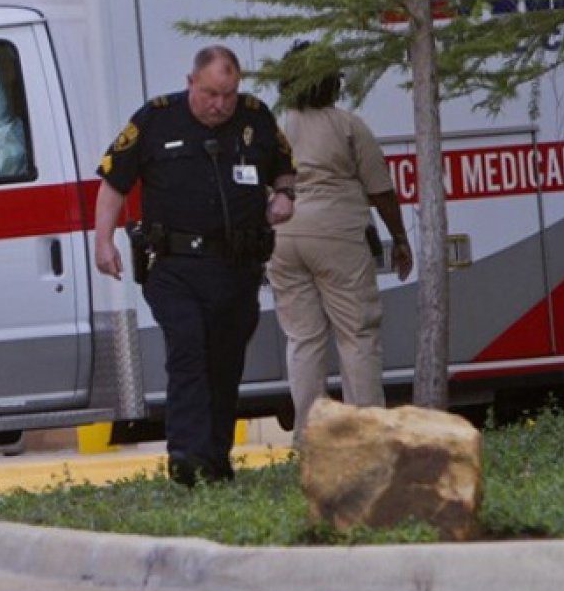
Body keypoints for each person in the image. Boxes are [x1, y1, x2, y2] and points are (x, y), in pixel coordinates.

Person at [93, 45, 297, 486]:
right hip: (175, 266)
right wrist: (102, 241)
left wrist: (284, 195)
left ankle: (214, 458)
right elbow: (113, 182)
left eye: (228, 94)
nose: (220, 104)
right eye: (210, 93)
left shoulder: (255, 117)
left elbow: (284, 167)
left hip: (236, 267)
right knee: (187, 347)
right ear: (191, 83)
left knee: (224, 363)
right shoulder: (155, 118)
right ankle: (185, 456)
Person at [267, 42, 413, 446]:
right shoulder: (347, 125)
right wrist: (399, 237)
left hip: (283, 238)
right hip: (336, 236)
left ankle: (311, 438)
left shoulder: (275, 127)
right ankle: (367, 437)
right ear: (332, 79)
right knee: (357, 334)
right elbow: (380, 190)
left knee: (303, 338)